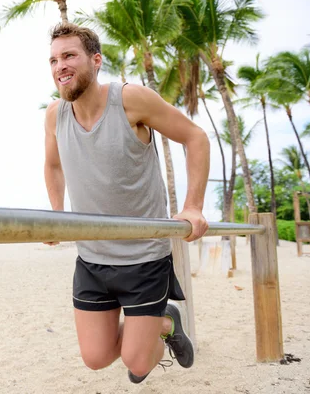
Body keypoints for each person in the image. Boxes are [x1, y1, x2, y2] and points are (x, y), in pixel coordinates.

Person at [43, 23, 210, 384]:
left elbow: (195, 138)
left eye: (70, 55)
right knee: (97, 358)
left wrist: (193, 206)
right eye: (54, 60)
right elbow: (54, 164)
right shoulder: (54, 115)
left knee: (137, 363)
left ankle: (160, 325)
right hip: (92, 258)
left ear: (96, 60)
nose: (60, 66)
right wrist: (55, 214)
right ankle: (158, 323)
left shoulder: (131, 99)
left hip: (144, 258)